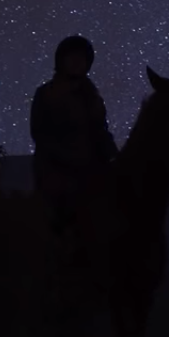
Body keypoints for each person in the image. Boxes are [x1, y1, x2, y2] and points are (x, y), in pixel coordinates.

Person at [29, 35, 120, 237]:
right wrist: (69, 160)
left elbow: (101, 132)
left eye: (82, 59)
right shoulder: (46, 93)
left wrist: (116, 159)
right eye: (72, 57)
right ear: (61, 60)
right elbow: (40, 134)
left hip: (91, 169)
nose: (77, 62)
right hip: (56, 172)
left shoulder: (92, 96)